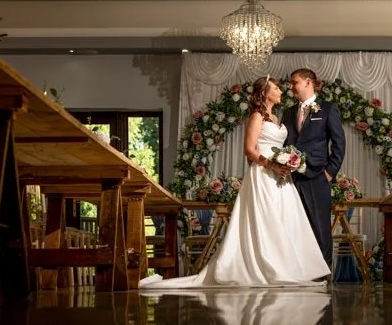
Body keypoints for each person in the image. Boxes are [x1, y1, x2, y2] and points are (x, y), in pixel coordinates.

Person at [140, 75, 329, 289]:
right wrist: (272, 164)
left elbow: (281, 145)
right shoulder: (257, 116)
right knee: (266, 219)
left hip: (280, 175)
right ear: (265, 92)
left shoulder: (277, 118)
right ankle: (266, 268)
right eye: (276, 88)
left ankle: (289, 268)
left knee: (285, 219)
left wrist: (287, 160)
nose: (281, 91)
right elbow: (249, 149)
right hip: (264, 173)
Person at [281, 68, 346, 266]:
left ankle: (324, 273)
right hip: (292, 179)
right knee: (296, 227)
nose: (291, 87)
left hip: (318, 176)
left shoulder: (327, 108)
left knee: (320, 227)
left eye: (295, 82)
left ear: (308, 82)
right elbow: (286, 143)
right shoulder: (289, 112)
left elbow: (339, 143)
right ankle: (301, 272)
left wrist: (329, 172)